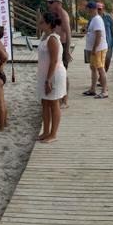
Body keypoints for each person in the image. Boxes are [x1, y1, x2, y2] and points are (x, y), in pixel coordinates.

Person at [37, 11, 67, 143]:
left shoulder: (52, 39)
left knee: (54, 103)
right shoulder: (45, 37)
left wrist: (48, 80)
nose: (39, 24)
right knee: (44, 102)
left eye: (42, 22)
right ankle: (46, 131)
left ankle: (53, 134)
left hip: (54, 74)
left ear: (49, 24)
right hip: (45, 73)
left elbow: (54, 61)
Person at [44, 0, 72, 109]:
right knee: (55, 71)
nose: (48, 5)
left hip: (63, 45)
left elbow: (68, 33)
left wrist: (68, 50)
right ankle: (58, 97)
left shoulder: (63, 14)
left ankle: (65, 100)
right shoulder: (53, 14)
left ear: (58, 3)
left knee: (63, 72)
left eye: (51, 2)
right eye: (48, 2)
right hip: (55, 44)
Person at [83, 2, 109, 98]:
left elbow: (99, 35)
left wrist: (94, 48)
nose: (87, 11)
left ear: (92, 9)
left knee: (100, 68)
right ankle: (92, 89)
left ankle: (104, 91)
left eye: (87, 9)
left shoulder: (97, 19)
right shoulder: (93, 19)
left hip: (99, 49)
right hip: (95, 49)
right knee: (93, 68)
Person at [97, 2, 113, 73]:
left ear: (103, 9)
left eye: (99, 9)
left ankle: (104, 74)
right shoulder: (94, 19)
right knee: (100, 62)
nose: (98, 10)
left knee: (108, 60)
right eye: (97, 9)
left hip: (109, 43)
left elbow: (112, 30)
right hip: (98, 44)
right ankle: (101, 76)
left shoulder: (108, 18)